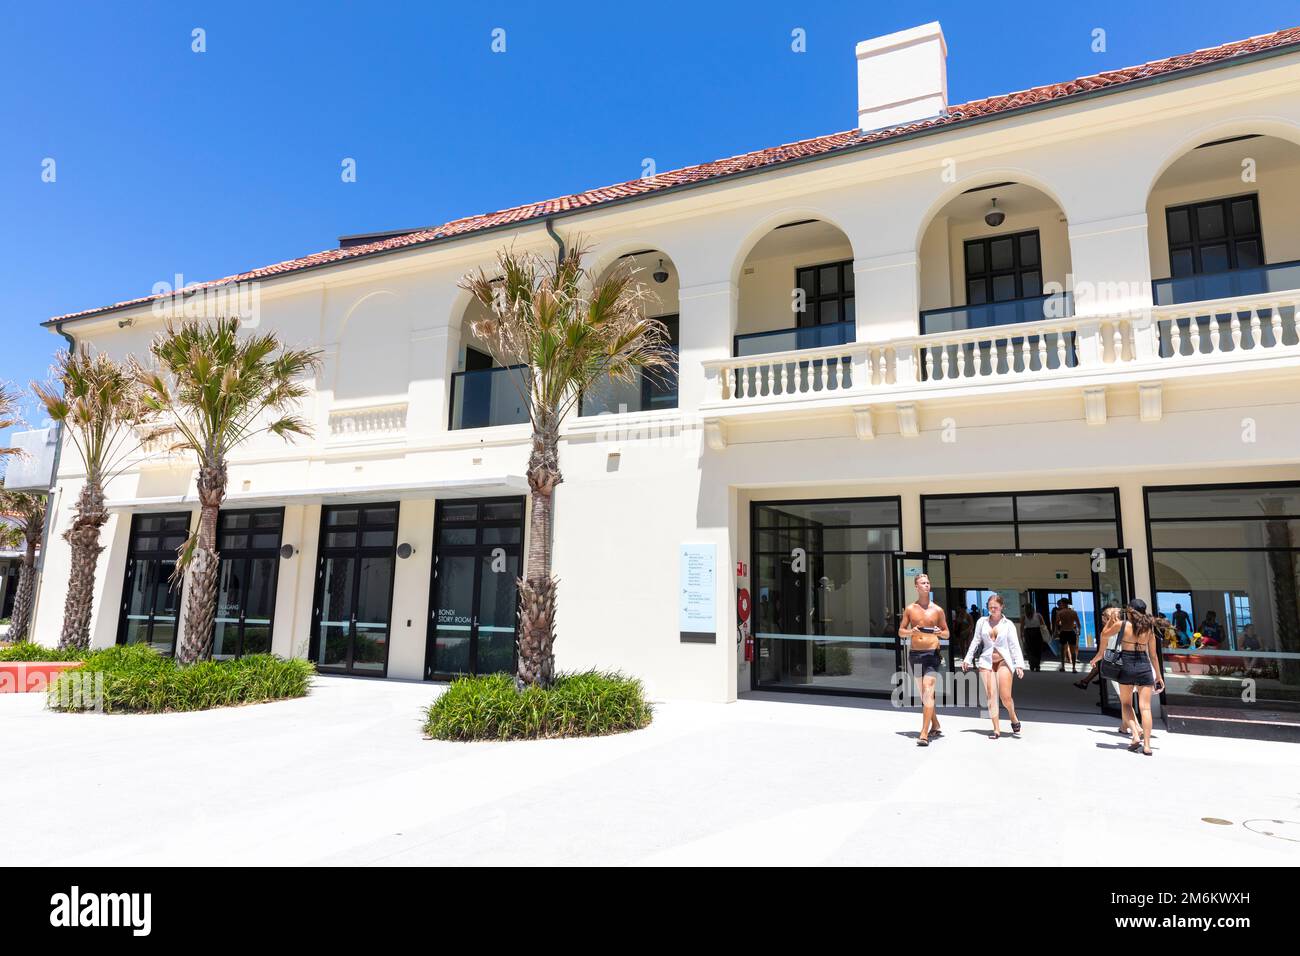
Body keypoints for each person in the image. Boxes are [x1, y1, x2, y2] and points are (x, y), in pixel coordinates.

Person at [962, 593, 1027, 739]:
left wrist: (1019, 665)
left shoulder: (1008, 624)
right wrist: (968, 658)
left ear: (1002, 607)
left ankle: (1013, 716)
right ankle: (996, 729)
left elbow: (1014, 645)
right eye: (990, 607)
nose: (993, 610)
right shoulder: (981, 622)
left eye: (995, 607)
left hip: (1004, 660)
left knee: (1005, 697)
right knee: (991, 696)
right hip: (986, 661)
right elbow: (975, 641)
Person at [898, 572, 950, 748]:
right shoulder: (910, 609)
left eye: (928, 582)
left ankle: (923, 733)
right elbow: (901, 631)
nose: (926, 585)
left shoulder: (938, 610)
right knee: (924, 695)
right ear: (916, 587)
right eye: (923, 583)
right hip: (915, 655)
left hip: (932, 654)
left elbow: (947, 633)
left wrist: (938, 632)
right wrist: (912, 632)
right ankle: (935, 724)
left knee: (928, 692)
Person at [1109, 598, 1165, 755]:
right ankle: (1147, 746)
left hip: (1126, 667)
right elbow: (1153, 656)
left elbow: (1104, 634)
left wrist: (1112, 620)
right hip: (1144, 667)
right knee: (1145, 708)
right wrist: (1159, 676)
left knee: (1126, 704)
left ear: (1130, 611)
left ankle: (1135, 734)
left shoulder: (1123, 625)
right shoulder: (1149, 629)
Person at [1052, 598, 1081, 673]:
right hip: (1071, 632)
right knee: (1073, 651)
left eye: (1061, 603)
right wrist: (1078, 631)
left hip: (1063, 632)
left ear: (1063, 603)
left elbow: (1057, 624)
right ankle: (1074, 668)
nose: (1060, 605)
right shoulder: (1073, 612)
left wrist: (1056, 631)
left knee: (1063, 650)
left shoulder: (1060, 613)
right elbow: (1078, 624)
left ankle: (1063, 667)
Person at [1020, 603, 1050, 672]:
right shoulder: (1038, 615)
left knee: (1030, 650)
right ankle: (1037, 666)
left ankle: (1032, 665)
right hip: (1037, 632)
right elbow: (1043, 625)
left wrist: (1021, 635)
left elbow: (1022, 627)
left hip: (1028, 633)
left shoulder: (1024, 617)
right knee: (1037, 649)